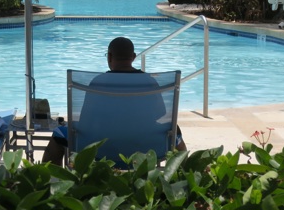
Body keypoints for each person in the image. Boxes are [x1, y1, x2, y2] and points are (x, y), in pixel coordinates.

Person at [41, 36, 186, 165]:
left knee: (59, 133)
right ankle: (185, 176)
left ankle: (51, 182)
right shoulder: (149, 81)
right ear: (133, 57)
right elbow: (161, 113)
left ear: (109, 56)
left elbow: (85, 118)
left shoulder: (98, 82)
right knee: (175, 131)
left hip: (102, 147)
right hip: (145, 145)